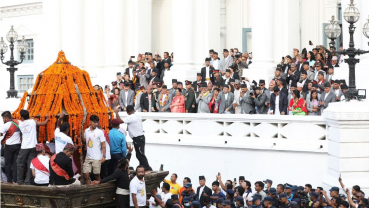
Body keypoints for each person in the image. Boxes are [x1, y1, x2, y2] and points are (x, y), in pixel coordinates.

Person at [114, 105, 152, 171]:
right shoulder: (137, 116)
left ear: (127, 111)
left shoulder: (131, 117)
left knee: (140, 155)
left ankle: (147, 168)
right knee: (139, 154)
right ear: (133, 110)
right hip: (140, 137)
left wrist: (116, 113)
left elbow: (119, 121)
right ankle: (143, 167)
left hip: (137, 138)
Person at [17, 109, 49, 185]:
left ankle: (20, 182)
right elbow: (43, 123)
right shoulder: (33, 122)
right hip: (33, 147)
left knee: (20, 163)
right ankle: (28, 181)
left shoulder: (20, 124)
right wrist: (47, 118)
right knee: (30, 164)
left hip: (24, 147)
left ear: (22, 118)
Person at [82, 115, 106, 185]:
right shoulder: (86, 131)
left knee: (97, 175)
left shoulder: (100, 132)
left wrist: (104, 156)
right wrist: (81, 132)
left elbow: (103, 144)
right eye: (94, 122)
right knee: (86, 175)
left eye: (97, 122)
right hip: (88, 157)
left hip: (97, 157)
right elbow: (85, 141)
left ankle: (99, 191)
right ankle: (88, 190)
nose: (96, 124)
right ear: (90, 122)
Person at [0, 111, 21, 184]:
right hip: (18, 145)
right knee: (15, 163)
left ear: (6, 118)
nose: (3, 120)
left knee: (8, 164)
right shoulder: (18, 122)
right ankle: (15, 180)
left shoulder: (5, 125)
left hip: (9, 147)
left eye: (3, 118)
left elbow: (0, 134)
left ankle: (9, 180)